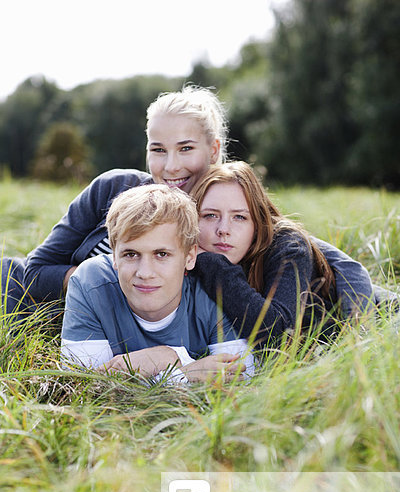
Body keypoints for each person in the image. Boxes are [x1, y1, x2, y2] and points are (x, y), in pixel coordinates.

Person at [1, 85, 376, 318]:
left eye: (186, 149)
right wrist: (109, 276)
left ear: (214, 150)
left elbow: (344, 268)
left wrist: (365, 329)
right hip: (65, 311)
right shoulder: (113, 188)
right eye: (158, 150)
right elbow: (36, 271)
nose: (171, 166)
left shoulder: (228, 221)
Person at [61, 184, 253, 383]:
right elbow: (83, 387)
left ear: (190, 256)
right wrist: (181, 370)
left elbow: (242, 377)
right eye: (131, 254)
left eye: (162, 254)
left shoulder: (213, 289)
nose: (145, 273)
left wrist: (167, 362)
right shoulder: (90, 282)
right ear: (114, 256)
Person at [190, 161, 377, 344]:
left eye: (239, 217)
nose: (223, 229)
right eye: (210, 215)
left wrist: (212, 263)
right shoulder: (182, 254)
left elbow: (277, 335)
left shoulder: (288, 248)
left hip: (382, 328)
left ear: (258, 223)